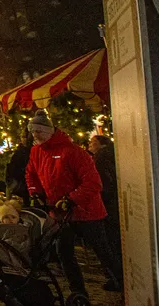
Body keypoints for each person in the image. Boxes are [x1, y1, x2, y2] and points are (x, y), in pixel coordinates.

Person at [25, 110, 122, 295]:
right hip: (61, 214)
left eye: (39, 131)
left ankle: (121, 282)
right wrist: (35, 192)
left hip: (87, 212)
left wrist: (72, 198)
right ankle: (77, 291)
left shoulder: (72, 151)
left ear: (50, 131)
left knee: (102, 251)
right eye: (33, 131)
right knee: (64, 253)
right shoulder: (36, 151)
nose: (35, 135)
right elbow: (31, 174)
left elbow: (93, 182)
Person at [88, 134, 120, 262]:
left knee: (110, 239)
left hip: (107, 203)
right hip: (113, 200)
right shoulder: (110, 154)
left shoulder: (101, 157)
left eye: (93, 142)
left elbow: (103, 182)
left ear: (103, 144)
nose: (90, 144)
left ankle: (115, 275)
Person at [5, 133, 32, 200]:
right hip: (21, 181)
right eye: (23, 137)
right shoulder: (18, 152)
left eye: (26, 137)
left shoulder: (34, 150)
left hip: (28, 180)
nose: (24, 139)